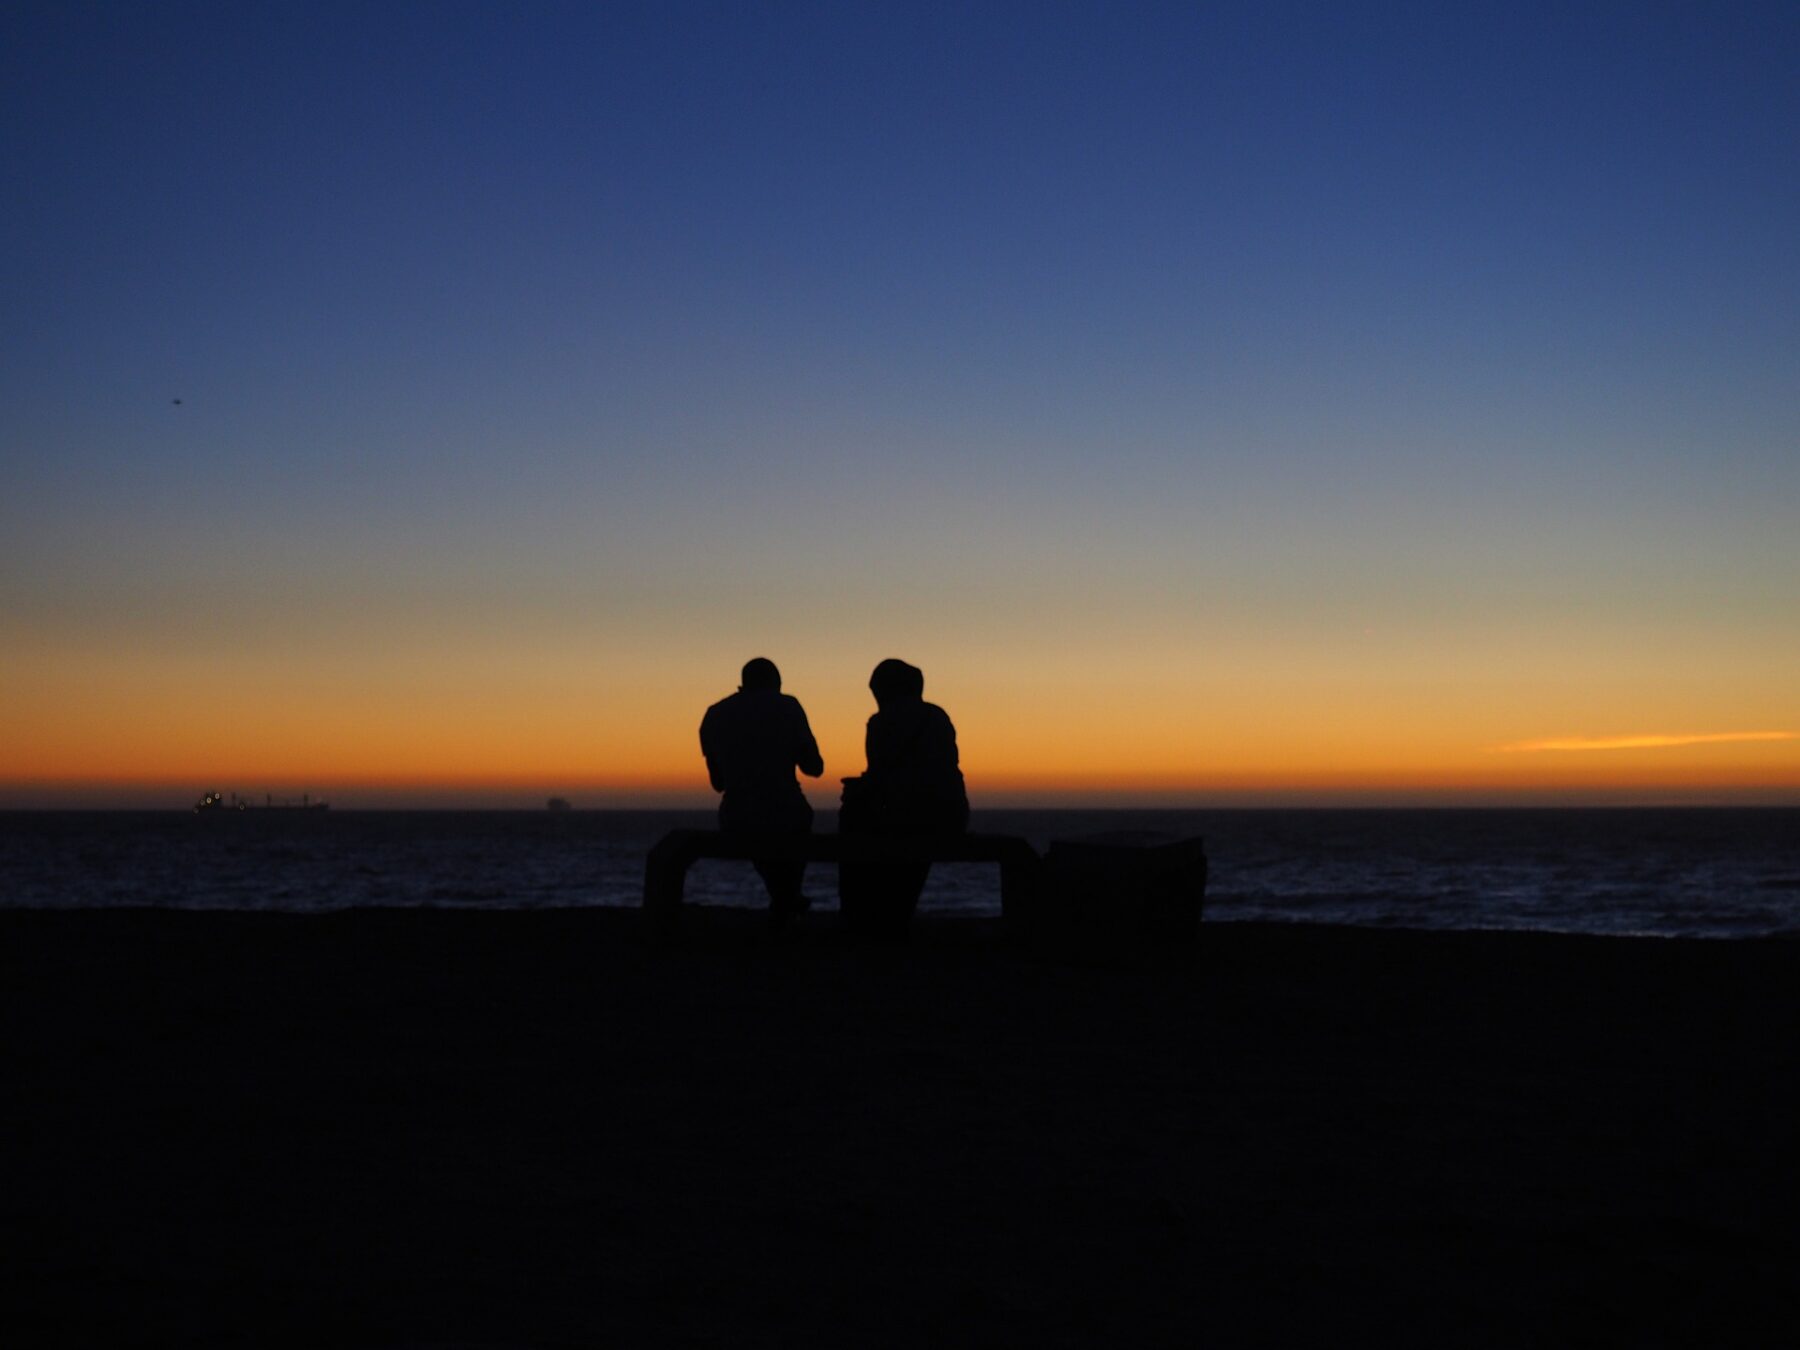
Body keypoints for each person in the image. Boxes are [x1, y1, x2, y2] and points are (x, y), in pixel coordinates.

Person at [838, 658, 969, 936]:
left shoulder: (880, 722)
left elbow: (882, 775)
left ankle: (858, 913)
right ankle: (897, 913)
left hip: (904, 814)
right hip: (949, 815)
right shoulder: (937, 716)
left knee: (853, 819)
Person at [699, 658, 824, 925]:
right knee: (794, 825)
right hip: (787, 812)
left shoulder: (714, 714)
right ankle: (787, 900)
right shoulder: (788, 706)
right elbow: (814, 767)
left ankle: (785, 900)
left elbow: (718, 783)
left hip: (737, 816)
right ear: (776, 683)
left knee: (765, 840)